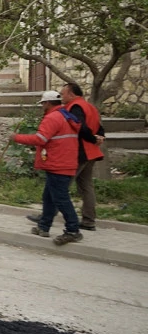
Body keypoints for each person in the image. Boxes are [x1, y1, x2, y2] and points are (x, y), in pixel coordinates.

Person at [12, 90, 83, 245]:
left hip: (58, 163)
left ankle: (73, 230)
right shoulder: (66, 116)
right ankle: (43, 227)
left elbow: (40, 139)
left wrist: (16, 138)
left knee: (61, 199)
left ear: (48, 103)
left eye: (43, 103)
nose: (42, 106)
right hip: (64, 162)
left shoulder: (52, 117)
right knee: (49, 197)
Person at [60, 82, 104, 231]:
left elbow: (80, 126)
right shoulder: (90, 106)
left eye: (63, 94)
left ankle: (47, 216)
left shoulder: (75, 107)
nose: (61, 96)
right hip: (92, 152)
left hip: (81, 151)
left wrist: (92, 138)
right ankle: (89, 220)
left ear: (71, 94)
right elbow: (100, 127)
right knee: (86, 186)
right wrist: (99, 138)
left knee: (61, 185)